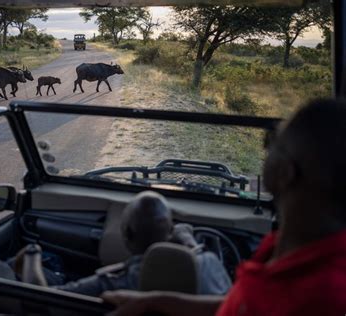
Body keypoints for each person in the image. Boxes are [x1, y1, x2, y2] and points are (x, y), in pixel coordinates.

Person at [102, 98, 346, 316]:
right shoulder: (294, 248)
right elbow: (246, 306)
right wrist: (156, 302)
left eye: (271, 141)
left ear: (284, 172)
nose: (266, 151)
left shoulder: (323, 297)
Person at [14, 190, 231, 297]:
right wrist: (189, 241)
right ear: (170, 232)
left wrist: (32, 254)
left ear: (126, 234)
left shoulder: (116, 283)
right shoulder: (211, 264)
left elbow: (42, 300)